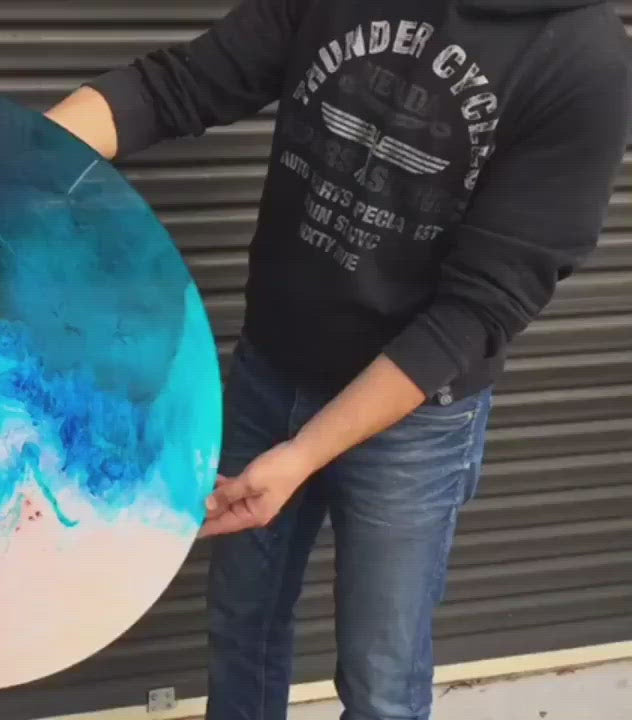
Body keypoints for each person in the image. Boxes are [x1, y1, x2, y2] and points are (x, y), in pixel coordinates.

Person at [44, 1, 631, 719]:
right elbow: (178, 85)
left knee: (381, 679)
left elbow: (477, 311)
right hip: (271, 369)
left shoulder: (585, 62)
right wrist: (16, 162)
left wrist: (304, 453)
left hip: (415, 418)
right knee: (242, 628)